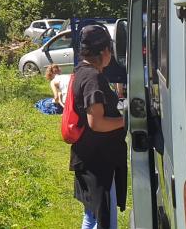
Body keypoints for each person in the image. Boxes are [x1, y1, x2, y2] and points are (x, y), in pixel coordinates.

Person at [70, 24, 127, 229]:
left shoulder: (81, 71)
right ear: (104, 51)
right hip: (98, 164)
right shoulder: (93, 78)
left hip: (88, 159)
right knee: (104, 221)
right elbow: (97, 123)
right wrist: (126, 120)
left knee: (92, 217)